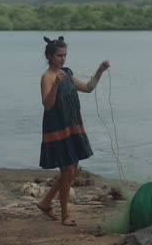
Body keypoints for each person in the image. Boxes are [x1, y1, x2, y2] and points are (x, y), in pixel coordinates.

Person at [36, 36, 110, 226]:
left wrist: (100, 71)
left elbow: (88, 88)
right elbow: (48, 105)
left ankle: (45, 202)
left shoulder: (66, 73)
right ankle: (65, 215)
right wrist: (55, 85)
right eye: (59, 55)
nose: (63, 59)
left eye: (65, 55)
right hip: (57, 129)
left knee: (72, 171)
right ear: (50, 57)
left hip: (73, 126)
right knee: (68, 170)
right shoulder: (47, 77)